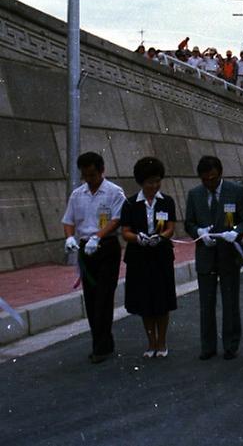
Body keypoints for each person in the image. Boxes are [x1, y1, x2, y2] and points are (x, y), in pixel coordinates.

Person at [62, 152, 126, 364]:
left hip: (106, 248)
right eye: (85, 175)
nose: (88, 179)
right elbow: (69, 219)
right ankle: (100, 343)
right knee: (90, 298)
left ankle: (103, 345)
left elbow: (117, 219)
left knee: (104, 297)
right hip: (85, 251)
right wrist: (70, 237)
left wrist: (98, 237)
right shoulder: (77, 194)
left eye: (92, 175)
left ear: (101, 170)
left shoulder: (114, 192)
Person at [184, 156, 243, 361]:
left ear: (220, 174)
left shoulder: (235, 191)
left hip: (228, 253)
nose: (209, 183)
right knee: (206, 302)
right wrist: (199, 232)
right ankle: (207, 346)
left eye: (212, 178)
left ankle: (230, 345)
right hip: (206, 253)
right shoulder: (194, 195)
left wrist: (237, 232)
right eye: (205, 180)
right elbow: (189, 222)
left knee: (230, 301)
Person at [120, 157, 177, 358]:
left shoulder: (167, 201)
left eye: (157, 181)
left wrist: (160, 237)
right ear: (141, 182)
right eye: (149, 182)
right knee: (145, 301)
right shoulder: (129, 203)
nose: (154, 185)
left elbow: (170, 228)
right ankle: (151, 342)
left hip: (160, 254)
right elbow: (125, 231)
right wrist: (138, 238)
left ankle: (162, 342)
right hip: (139, 256)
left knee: (162, 300)